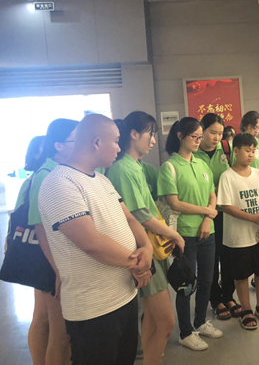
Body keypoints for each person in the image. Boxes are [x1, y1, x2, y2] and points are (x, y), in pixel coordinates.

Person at [38, 114, 153, 365]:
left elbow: (129, 219)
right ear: (97, 142)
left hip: (124, 297)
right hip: (93, 309)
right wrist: (139, 263)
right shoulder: (59, 183)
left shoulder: (102, 180)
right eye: (116, 141)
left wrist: (147, 247)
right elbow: (91, 242)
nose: (119, 148)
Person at [107, 111, 184, 365]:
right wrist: (174, 234)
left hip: (151, 247)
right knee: (166, 322)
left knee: (152, 318)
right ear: (133, 134)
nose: (153, 141)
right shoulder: (122, 169)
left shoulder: (136, 166)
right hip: (142, 249)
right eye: (149, 134)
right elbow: (139, 215)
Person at [157, 117, 223, 351]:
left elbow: (212, 194)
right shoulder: (170, 167)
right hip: (184, 234)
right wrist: (206, 211)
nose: (198, 141)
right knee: (186, 283)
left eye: (200, 137)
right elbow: (174, 203)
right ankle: (185, 332)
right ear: (180, 136)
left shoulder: (202, 163)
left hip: (208, 231)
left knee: (207, 279)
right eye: (194, 137)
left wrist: (207, 219)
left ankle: (200, 322)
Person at [27, 119, 78, 365]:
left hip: (55, 260)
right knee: (59, 332)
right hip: (51, 260)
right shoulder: (47, 175)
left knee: (46, 320)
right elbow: (40, 228)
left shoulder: (62, 171)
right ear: (58, 145)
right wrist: (58, 270)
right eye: (77, 139)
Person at [217, 133, 259, 331]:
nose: (251, 155)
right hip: (238, 238)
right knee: (240, 276)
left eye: (253, 151)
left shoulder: (258, 174)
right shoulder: (227, 177)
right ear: (236, 151)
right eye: (247, 150)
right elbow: (225, 206)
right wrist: (252, 218)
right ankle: (246, 310)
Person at [197, 114, 242, 321]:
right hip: (205, 213)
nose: (216, 137)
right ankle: (215, 299)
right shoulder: (193, 152)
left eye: (220, 133)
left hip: (227, 212)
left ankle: (228, 295)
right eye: (212, 132)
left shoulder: (227, 149)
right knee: (211, 258)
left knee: (229, 255)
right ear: (202, 130)